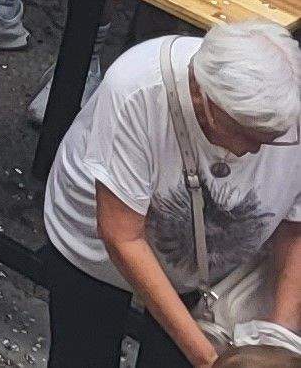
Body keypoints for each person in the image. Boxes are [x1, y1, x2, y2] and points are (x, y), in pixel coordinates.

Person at [43, 20, 301, 368]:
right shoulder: (139, 87)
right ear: (201, 96)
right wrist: (211, 360)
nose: (257, 149)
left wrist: (278, 337)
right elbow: (123, 236)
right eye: (245, 133)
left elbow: (296, 221)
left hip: (210, 268)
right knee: (84, 354)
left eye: (273, 136)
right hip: (98, 252)